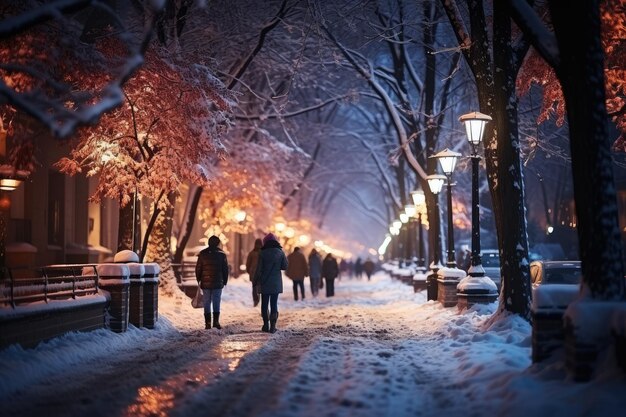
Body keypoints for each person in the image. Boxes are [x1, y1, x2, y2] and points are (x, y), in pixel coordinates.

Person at [253, 233, 288, 333]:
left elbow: (259, 269)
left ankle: (265, 325)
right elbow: (285, 266)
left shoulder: (262, 253)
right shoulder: (280, 252)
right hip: (276, 283)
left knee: (264, 304)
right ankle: (273, 326)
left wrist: (255, 280)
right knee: (274, 303)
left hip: (264, 281)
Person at [195, 235, 229, 330]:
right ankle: (216, 322)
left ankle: (207, 323)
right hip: (218, 282)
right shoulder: (222, 255)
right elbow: (225, 269)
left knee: (206, 301)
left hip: (205, 283)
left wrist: (199, 279)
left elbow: (198, 268)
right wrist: (225, 280)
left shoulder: (202, 254)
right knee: (216, 301)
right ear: (218, 243)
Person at [245, 238, 263, 307]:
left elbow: (248, 264)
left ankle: (256, 300)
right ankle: (259, 299)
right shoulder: (263, 252)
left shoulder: (251, 253)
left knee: (254, 287)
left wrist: (249, 271)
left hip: (253, 273)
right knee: (260, 286)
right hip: (261, 273)